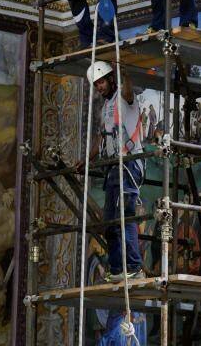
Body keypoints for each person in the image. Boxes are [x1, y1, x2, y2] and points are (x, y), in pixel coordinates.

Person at [84, 61, 145, 282]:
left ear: (111, 79)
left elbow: (127, 91)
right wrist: (86, 161)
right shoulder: (105, 108)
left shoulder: (125, 98)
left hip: (128, 165)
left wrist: (124, 73)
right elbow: (101, 137)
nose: (99, 87)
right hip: (113, 168)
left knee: (124, 217)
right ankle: (118, 269)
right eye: (96, 84)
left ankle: (134, 267)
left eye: (101, 82)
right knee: (110, 222)